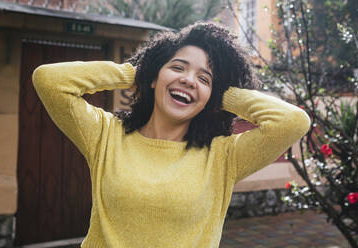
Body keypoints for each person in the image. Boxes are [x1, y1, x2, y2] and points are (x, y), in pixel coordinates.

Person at [32, 22, 310, 248]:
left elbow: (292, 122)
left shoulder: (224, 156)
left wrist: (221, 94)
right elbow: (49, 80)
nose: (188, 80)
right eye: (177, 67)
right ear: (154, 78)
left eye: (204, 78)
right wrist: (136, 73)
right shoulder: (105, 134)